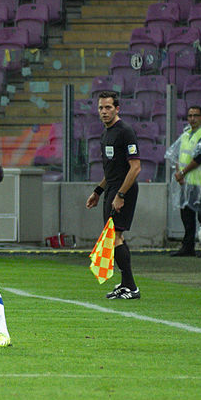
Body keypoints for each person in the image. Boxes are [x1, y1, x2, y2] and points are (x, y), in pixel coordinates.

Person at [85, 90, 142, 300]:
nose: (104, 111)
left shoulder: (125, 131)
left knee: (115, 236)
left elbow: (135, 168)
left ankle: (132, 287)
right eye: (101, 108)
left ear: (117, 108)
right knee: (115, 236)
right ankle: (126, 284)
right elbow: (111, 171)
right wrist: (98, 191)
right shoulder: (105, 133)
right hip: (111, 190)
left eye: (108, 107)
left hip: (123, 190)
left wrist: (121, 194)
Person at [168, 105, 201, 258]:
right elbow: (177, 155)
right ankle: (188, 246)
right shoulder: (186, 135)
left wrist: (182, 173)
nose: (192, 119)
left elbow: (200, 158)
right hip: (186, 182)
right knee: (186, 214)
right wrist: (178, 173)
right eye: (190, 116)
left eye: (195, 115)